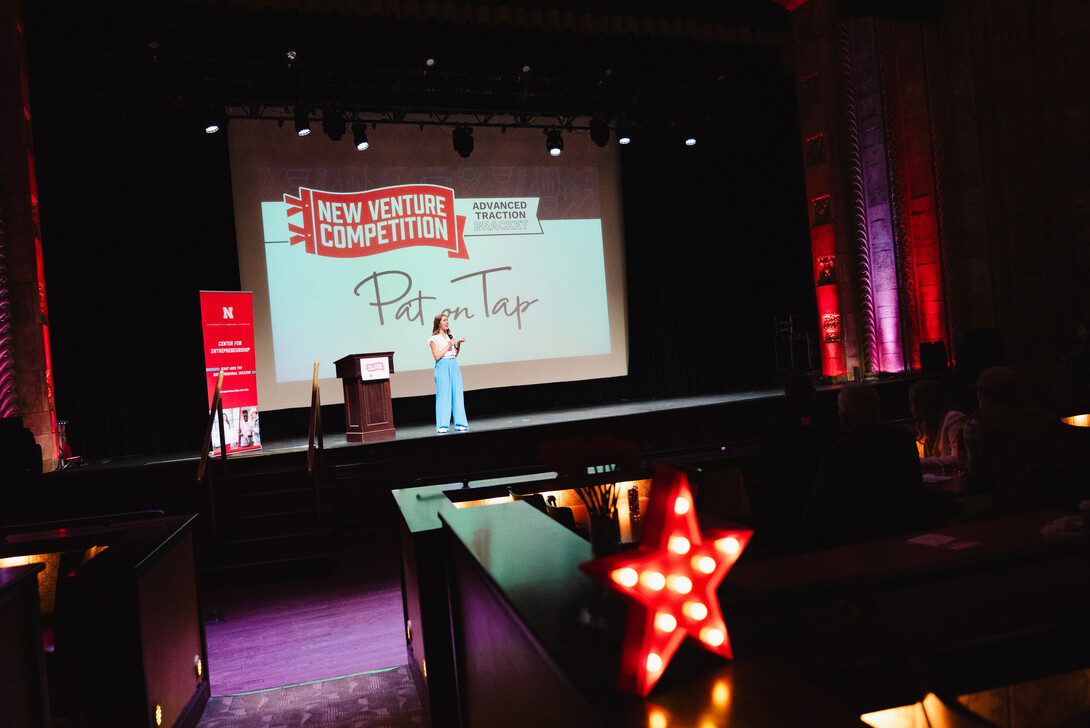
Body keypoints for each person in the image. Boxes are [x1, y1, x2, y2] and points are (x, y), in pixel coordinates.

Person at [807, 383, 928, 549]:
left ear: (845, 418)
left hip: (857, 540)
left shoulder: (838, 453)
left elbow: (820, 504)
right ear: (878, 409)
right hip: (907, 530)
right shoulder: (903, 438)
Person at [908, 379, 967, 474]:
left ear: (922, 404)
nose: (911, 407)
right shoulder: (925, 426)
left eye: (912, 403)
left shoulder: (954, 419)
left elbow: (958, 459)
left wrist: (919, 462)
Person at [429, 313, 468, 434]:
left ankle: (460, 423)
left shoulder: (450, 336)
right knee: (444, 395)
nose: (447, 322)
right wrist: (448, 344)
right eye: (444, 320)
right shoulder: (434, 339)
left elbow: (455, 353)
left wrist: (458, 343)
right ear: (438, 323)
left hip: (453, 364)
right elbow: (437, 356)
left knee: (457, 393)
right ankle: (442, 425)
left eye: (447, 320)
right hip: (442, 365)